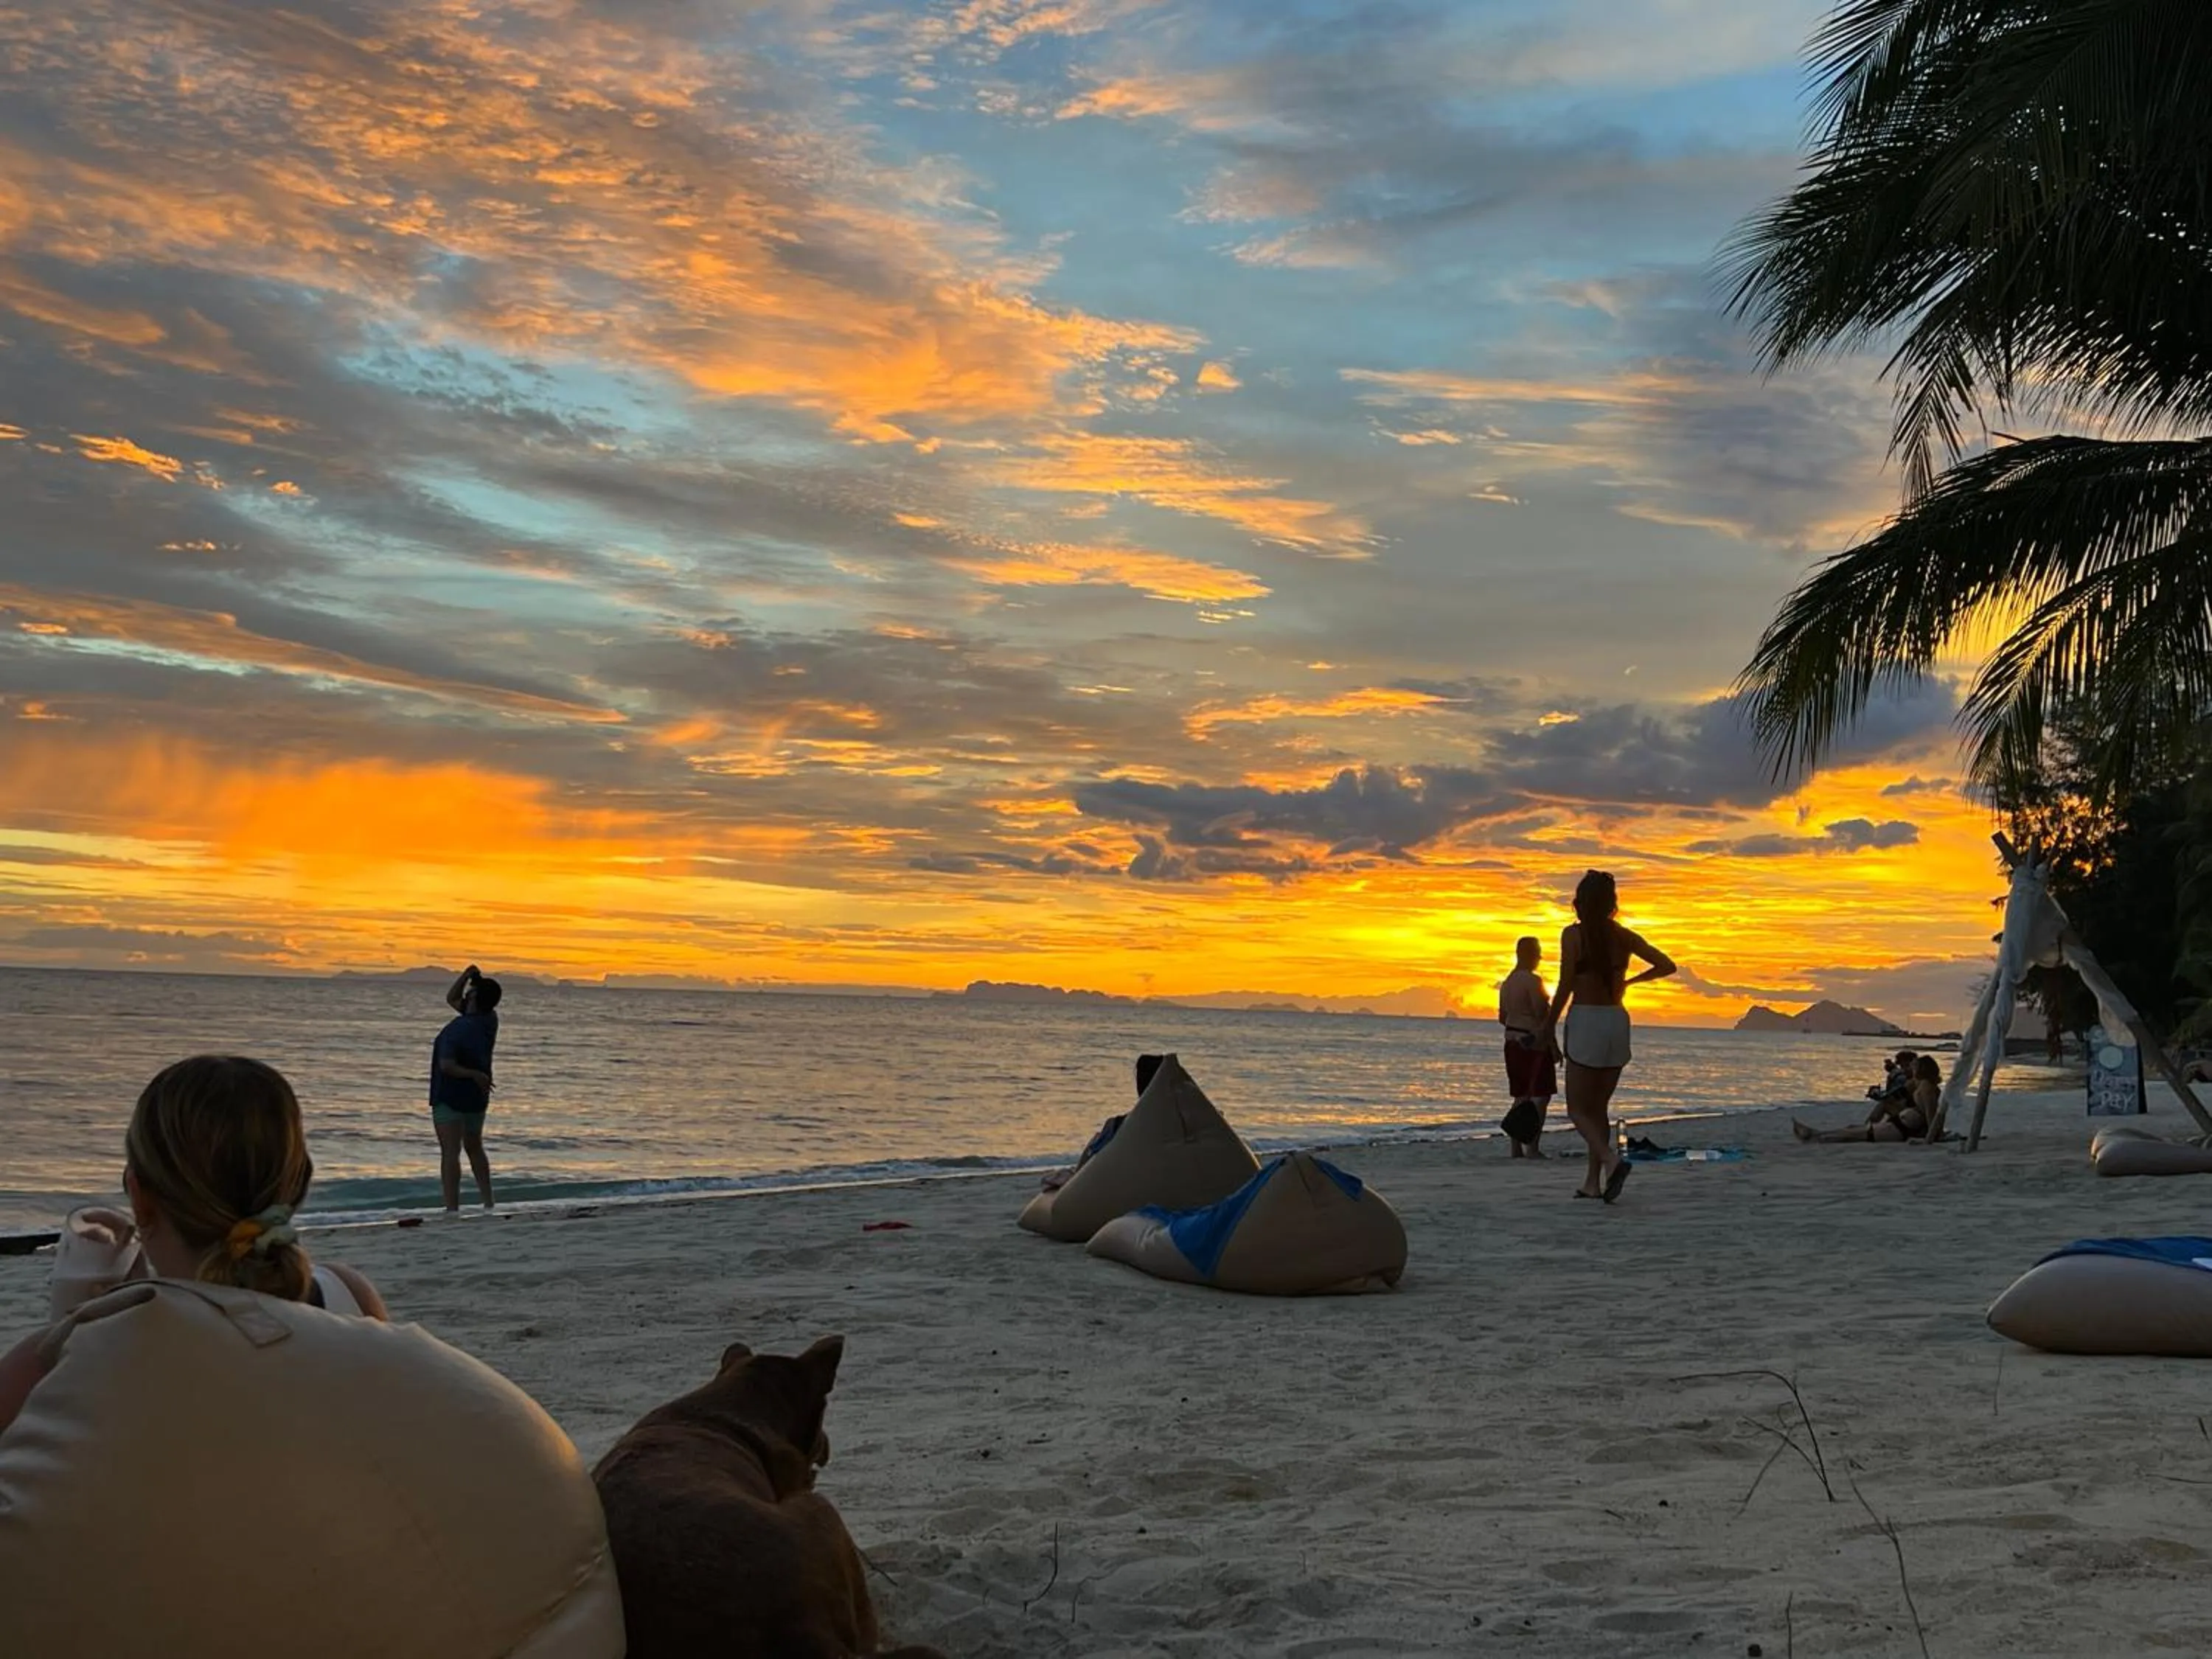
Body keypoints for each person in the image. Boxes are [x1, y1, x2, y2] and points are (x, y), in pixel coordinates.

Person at [0, 1054, 387, 1435]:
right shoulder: (350, 1300)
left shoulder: (46, 1369)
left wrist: (75, 1330)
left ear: (139, 1197)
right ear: (299, 1185)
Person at [1539, 870, 1677, 1203]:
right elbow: (1666, 965)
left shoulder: (1573, 935)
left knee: (1577, 1109)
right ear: (1611, 904)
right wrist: (1630, 982)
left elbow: (1565, 986)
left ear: (1580, 903)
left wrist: (1547, 1027)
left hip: (1587, 1020)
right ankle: (1592, 1183)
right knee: (1598, 1109)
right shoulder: (1624, 937)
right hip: (1616, 1020)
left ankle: (1611, 1160)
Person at [431, 964, 501, 1212]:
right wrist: (468, 977)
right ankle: (488, 1202)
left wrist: (465, 976)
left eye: (470, 992)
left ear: (473, 998)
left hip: (450, 1095)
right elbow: (453, 999)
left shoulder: (458, 1029)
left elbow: (447, 1066)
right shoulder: (488, 1020)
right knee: (474, 1146)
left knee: (451, 1152)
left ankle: (452, 1207)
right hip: (477, 1096)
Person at [1795, 1053, 1940, 1143]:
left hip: (1901, 1129)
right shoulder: (1919, 1084)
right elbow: (1896, 1090)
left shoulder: (1927, 1088)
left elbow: (1932, 1116)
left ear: (1921, 1069)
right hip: (1899, 1124)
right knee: (1852, 1130)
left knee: (1852, 1135)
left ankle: (1814, 1137)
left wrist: (1928, 1139)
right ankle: (1815, 1134)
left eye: (1914, 1066)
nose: (1910, 1069)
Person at [1498, 936, 1556, 1158]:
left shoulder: (1507, 983)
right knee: (1541, 1096)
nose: (1539, 958)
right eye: (1537, 954)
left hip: (1512, 1041)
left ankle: (1516, 1148)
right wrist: (1552, 1045)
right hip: (1533, 1043)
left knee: (1521, 1095)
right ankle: (1532, 1147)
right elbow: (1542, 1015)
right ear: (1531, 955)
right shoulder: (1533, 981)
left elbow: (1503, 1017)